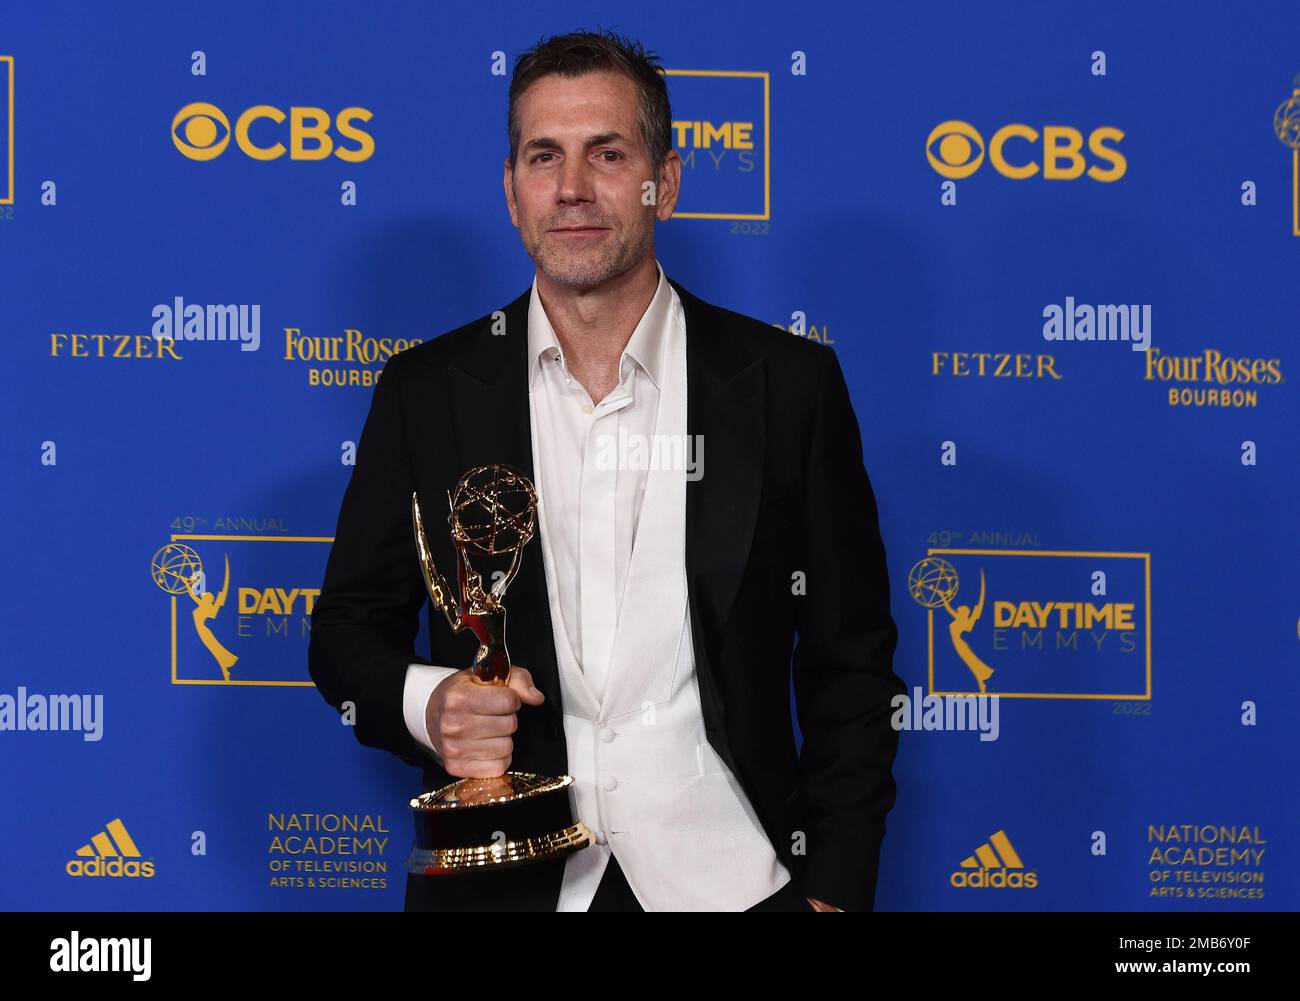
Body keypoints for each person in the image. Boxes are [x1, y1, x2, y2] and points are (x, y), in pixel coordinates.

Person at [309, 29, 903, 912]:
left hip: (737, 884)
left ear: (665, 177)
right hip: (505, 887)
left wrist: (835, 892)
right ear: (511, 191)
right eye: (543, 156)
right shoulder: (426, 392)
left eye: (608, 153)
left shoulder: (788, 387)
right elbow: (345, 633)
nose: (573, 188)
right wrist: (433, 704)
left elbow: (852, 662)